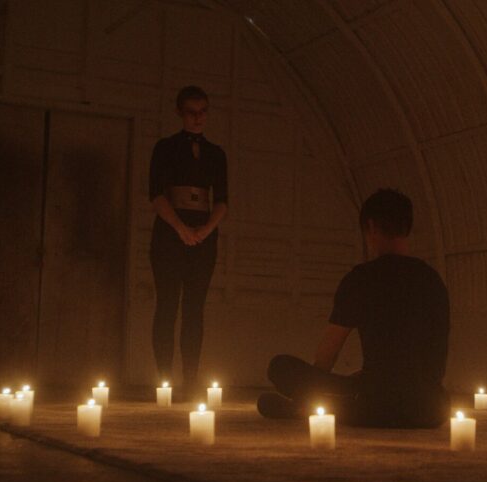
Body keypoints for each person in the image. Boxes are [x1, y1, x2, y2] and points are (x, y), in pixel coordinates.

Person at [259, 189, 450, 428]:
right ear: (408, 227)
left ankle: (305, 408)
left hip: (374, 406)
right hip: (431, 409)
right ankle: (315, 407)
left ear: (370, 227)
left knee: (280, 366)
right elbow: (436, 358)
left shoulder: (361, 279)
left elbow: (328, 353)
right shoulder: (433, 280)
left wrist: (311, 388)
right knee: (366, 386)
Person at [148, 86, 228, 399]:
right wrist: (180, 227)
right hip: (169, 234)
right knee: (167, 303)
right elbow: (155, 194)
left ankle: (190, 379)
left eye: (203, 111)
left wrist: (205, 230)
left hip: (203, 236)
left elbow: (223, 200)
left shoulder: (216, 153)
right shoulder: (165, 148)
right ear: (181, 113)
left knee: (195, 307)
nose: (198, 118)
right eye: (192, 112)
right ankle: (165, 379)